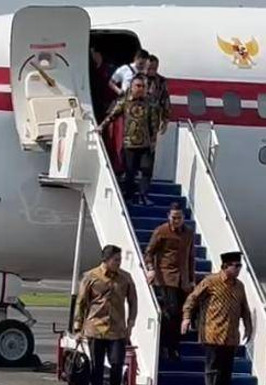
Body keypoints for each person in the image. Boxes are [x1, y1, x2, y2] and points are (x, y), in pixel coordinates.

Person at [181, 251, 253, 385]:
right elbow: (192, 299)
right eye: (235, 266)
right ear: (225, 266)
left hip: (231, 334)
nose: (238, 269)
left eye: (240, 266)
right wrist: (186, 318)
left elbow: (244, 308)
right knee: (213, 367)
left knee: (227, 369)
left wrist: (248, 326)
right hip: (212, 331)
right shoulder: (211, 282)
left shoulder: (239, 285)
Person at [73, 245, 138, 385]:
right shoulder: (91, 277)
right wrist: (78, 328)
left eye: (120, 260)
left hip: (117, 331)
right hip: (95, 329)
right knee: (97, 370)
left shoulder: (125, 278)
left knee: (117, 366)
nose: (119, 263)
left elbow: (133, 302)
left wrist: (130, 324)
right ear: (106, 260)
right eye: (116, 260)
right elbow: (81, 303)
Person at [145, 202, 195, 360]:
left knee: (181, 314)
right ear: (168, 217)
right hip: (166, 277)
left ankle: (174, 345)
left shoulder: (188, 233)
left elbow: (191, 257)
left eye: (179, 218)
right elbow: (149, 252)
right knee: (171, 312)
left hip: (183, 279)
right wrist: (151, 268)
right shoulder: (161, 231)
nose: (176, 220)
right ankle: (168, 346)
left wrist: (191, 279)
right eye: (173, 217)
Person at [98, 74, 155, 203]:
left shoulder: (150, 103)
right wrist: (101, 126)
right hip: (130, 143)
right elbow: (112, 115)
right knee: (130, 172)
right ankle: (129, 196)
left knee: (146, 170)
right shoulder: (125, 101)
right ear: (132, 87)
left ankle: (143, 195)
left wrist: (154, 140)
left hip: (145, 143)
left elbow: (153, 123)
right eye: (138, 86)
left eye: (143, 86)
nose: (141, 89)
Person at [146, 55, 171, 145]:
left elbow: (166, 100)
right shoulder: (138, 79)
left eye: (154, 68)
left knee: (151, 146)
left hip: (153, 118)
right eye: (150, 68)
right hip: (139, 117)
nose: (152, 70)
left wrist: (165, 119)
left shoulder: (161, 81)